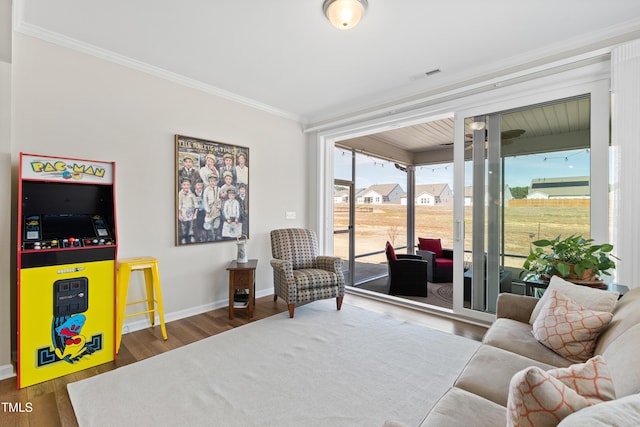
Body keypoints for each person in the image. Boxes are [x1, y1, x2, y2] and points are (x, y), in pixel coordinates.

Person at [177, 178, 198, 244]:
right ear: (181, 185)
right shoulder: (179, 194)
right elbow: (179, 205)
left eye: (187, 185)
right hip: (183, 212)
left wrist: (195, 214)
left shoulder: (192, 195)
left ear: (190, 186)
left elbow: (196, 205)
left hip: (190, 212)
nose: (186, 186)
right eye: (184, 185)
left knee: (191, 225)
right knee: (183, 226)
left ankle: (191, 235)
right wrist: (179, 214)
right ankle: (183, 237)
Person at [203, 174, 221, 241]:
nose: (212, 183)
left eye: (214, 181)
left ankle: (216, 236)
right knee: (208, 223)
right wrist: (207, 210)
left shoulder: (218, 189)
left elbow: (220, 199)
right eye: (211, 181)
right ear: (208, 182)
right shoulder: (206, 190)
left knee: (216, 223)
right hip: (209, 209)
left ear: (216, 182)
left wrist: (219, 207)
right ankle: (210, 236)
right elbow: (205, 201)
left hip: (216, 209)